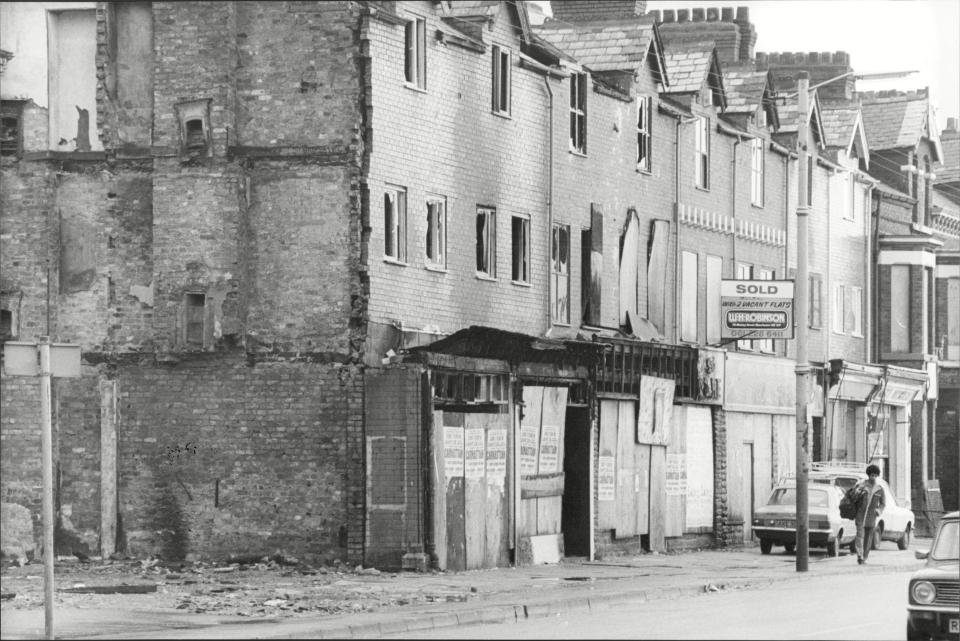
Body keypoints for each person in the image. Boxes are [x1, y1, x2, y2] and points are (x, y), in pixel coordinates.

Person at [850, 464, 886, 564]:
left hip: (872, 516)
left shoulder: (880, 489)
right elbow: (853, 497)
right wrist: (857, 492)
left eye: (875, 475)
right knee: (860, 536)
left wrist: (878, 511)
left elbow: (883, 503)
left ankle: (865, 557)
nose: (873, 477)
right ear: (868, 475)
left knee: (868, 538)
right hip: (860, 515)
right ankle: (860, 556)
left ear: (877, 476)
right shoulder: (862, 485)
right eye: (871, 475)